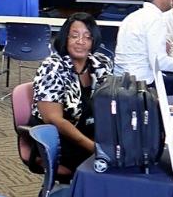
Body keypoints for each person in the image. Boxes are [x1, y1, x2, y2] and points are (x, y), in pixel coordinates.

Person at [30, 14, 114, 170]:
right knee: (105, 165)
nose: (81, 42)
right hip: (58, 138)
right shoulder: (52, 67)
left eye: (87, 37)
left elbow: (112, 100)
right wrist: (92, 147)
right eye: (74, 36)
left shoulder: (101, 63)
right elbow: (53, 119)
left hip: (91, 131)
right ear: (65, 38)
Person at [114, 0, 173, 84]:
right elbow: (159, 63)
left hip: (122, 82)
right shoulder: (155, 19)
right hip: (142, 85)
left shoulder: (132, 17)